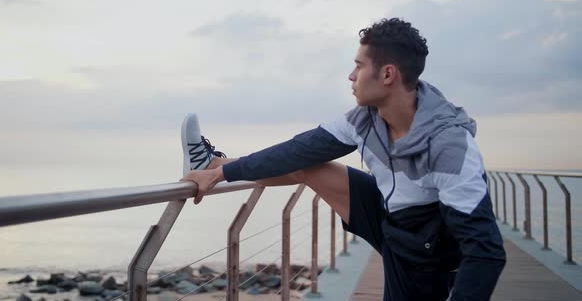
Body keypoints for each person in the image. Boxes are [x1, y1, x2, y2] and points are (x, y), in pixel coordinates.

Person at [180, 18, 506, 301]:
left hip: (428, 252)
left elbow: (485, 250)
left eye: (359, 66)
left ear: (388, 74)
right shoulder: (364, 119)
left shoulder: (449, 145)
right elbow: (296, 151)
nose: (352, 76)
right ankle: (210, 165)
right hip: (388, 218)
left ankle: (212, 167)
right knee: (306, 164)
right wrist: (224, 174)